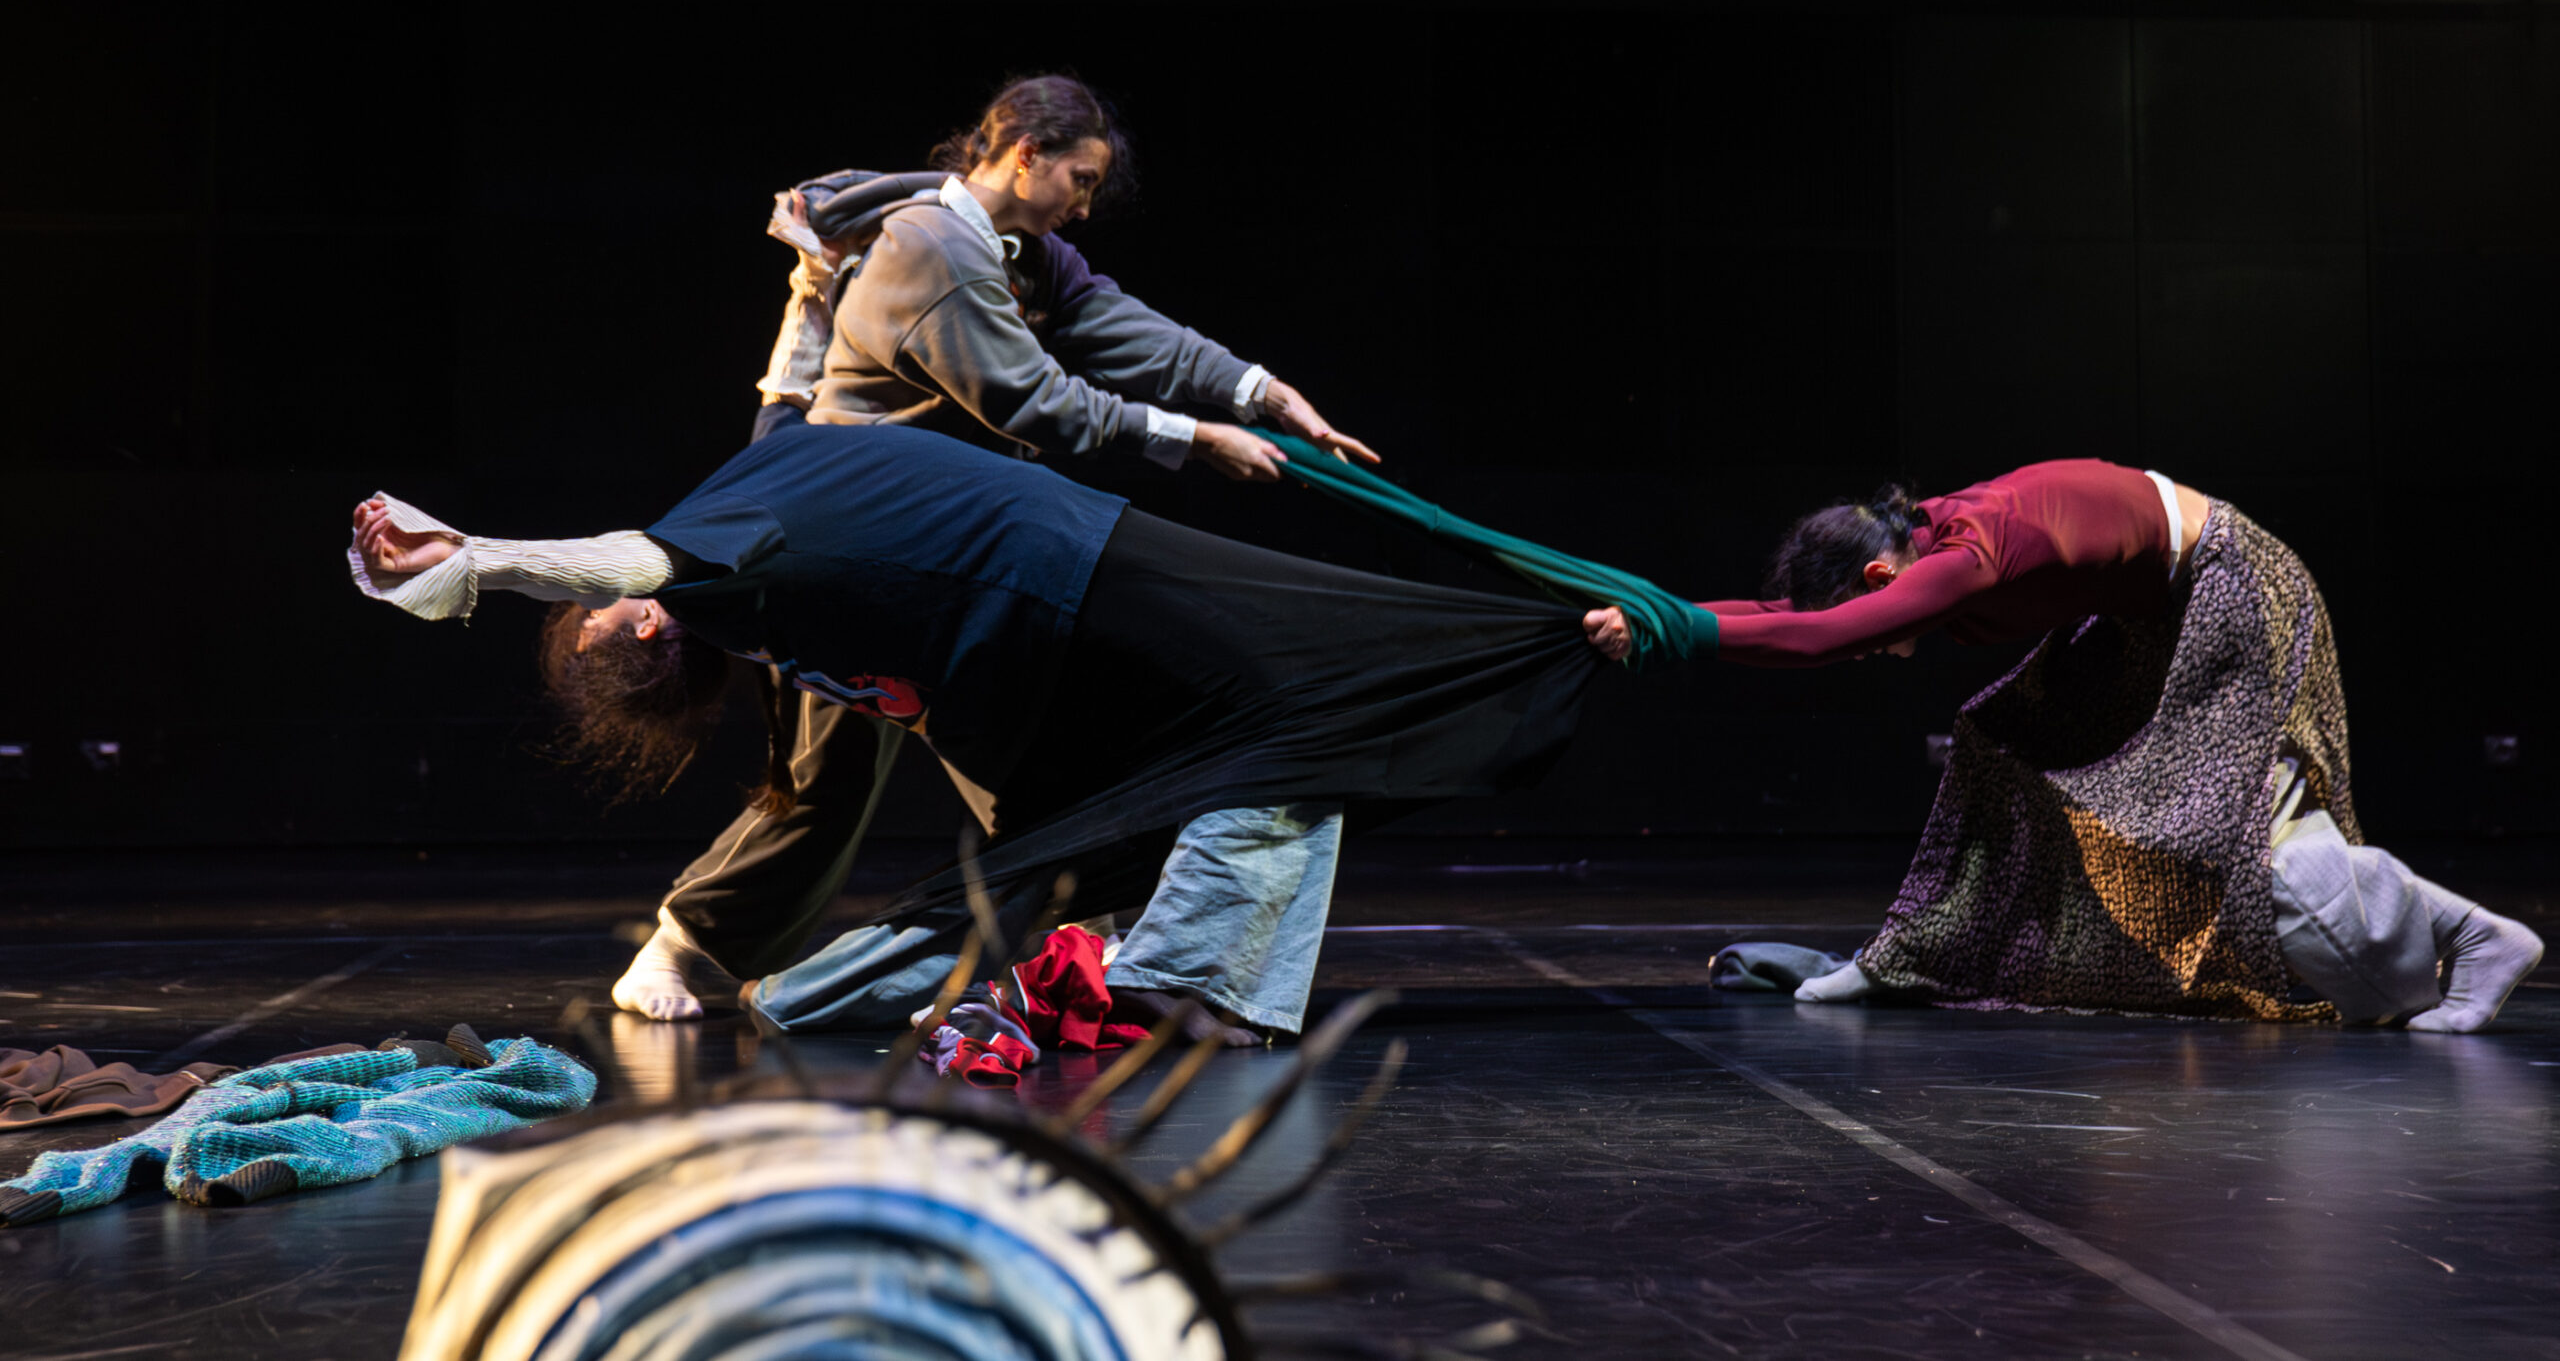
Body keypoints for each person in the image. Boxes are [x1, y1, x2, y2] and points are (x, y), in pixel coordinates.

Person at [350, 421, 1633, 1044]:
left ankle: (1179, 970)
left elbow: (658, 529)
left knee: (1289, 711)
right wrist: (480, 559)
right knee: (1275, 720)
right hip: (1042, 593)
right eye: (597, 616)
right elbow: (916, 714)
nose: (603, 606)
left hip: (1048, 573)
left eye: (591, 610)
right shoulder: (738, 600)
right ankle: (1159, 973)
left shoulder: (729, 555)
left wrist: (474, 555)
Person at [623, 75, 1379, 1023]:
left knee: (1034, 775)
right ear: (1025, 152)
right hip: (850, 562)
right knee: (824, 786)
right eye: (1080, 178)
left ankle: (1093, 947)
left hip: (951, 573)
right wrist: (1196, 438)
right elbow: (1030, 401)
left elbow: (1123, 325)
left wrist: (1260, 391)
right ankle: (672, 947)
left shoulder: (1023, 255)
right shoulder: (926, 247)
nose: (1086, 204)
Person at [1700, 460, 2540, 1033]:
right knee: (2010, 742)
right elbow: (1803, 621)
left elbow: (1821, 637)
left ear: (1880, 580)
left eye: (1873, 629)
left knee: (2244, 835)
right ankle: (1911, 957)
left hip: (2230, 586)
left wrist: (1678, 632)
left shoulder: (1967, 552)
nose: (1876, 648)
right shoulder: (1935, 537)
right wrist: (1652, 615)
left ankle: (2469, 940)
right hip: (2149, 616)